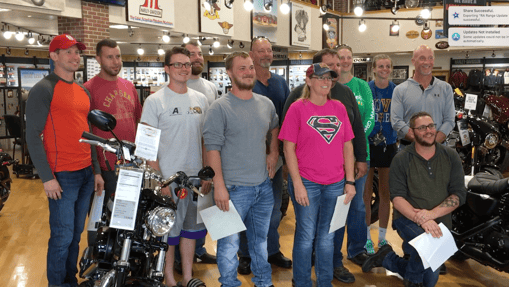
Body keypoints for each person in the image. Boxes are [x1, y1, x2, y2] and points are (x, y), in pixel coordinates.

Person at [282, 48, 367, 283]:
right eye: (320, 77)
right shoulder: (297, 108)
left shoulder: (339, 108)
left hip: (335, 183)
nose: (325, 82)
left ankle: (324, 280)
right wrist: (297, 184)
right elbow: (288, 148)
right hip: (307, 182)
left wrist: (350, 181)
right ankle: (301, 281)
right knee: (305, 236)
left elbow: (347, 146)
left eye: (329, 78)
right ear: (308, 80)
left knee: (328, 237)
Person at [25, 34, 103, 287]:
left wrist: (97, 171)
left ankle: (69, 280)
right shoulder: (44, 89)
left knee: (75, 234)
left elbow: (87, 134)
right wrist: (47, 178)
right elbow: (32, 137)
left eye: (77, 52)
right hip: (62, 175)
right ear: (54, 55)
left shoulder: (81, 91)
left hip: (85, 173)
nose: (74, 56)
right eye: (67, 51)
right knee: (61, 236)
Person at [362, 112, 466, 287]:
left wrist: (430, 215)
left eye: (431, 126)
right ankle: (412, 280)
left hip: (440, 221)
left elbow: (458, 196)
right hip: (407, 219)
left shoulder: (450, 156)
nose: (429, 131)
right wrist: (421, 218)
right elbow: (397, 198)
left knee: (429, 279)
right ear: (412, 132)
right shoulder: (401, 159)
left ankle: (388, 258)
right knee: (426, 260)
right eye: (422, 127)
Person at [203, 51, 278, 287]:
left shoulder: (266, 104)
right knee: (228, 245)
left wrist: (273, 152)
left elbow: (275, 127)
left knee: (260, 242)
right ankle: (229, 283)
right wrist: (219, 187)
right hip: (232, 189)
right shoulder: (219, 108)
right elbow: (212, 149)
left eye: (250, 68)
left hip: (263, 187)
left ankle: (263, 282)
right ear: (229, 73)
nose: (248, 72)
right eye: (242, 68)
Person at [140, 47, 210, 287]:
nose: (184, 68)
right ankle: (169, 278)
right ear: (167, 69)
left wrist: (206, 174)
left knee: (191, 231)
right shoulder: (154, 101)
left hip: (195, 180)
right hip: (169, 181)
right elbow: (147, 147)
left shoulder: (200, 99)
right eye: (178, 64)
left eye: (187, 64)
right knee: (169, 233)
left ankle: (188, 276)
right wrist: (160, 182)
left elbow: (204, 141)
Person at [237, 36, 291, 276]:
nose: (266, 55)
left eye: (269, 51)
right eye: (261, 51)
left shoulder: (280, 83)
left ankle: (271, 250)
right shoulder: (244, 83)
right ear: (251, 53)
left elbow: (287, 121)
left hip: (276, 158)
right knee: (249, 208)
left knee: (275, 208)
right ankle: (246, 254)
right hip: (249, 159)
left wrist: (281, 154)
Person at [84, 39, 142, 245]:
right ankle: (97, 263)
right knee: (100, 218)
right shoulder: (88, 89)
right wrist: (96, 169)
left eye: (118, 56)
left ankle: (123, 262)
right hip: (106, 165)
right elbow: (87, 133)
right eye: (110, 57)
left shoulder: (129, 86)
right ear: (98, 59)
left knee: (128, 215)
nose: (116, 62)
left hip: (131, 164)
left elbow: (137, 121)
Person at [171, 41, 218, 270]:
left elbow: (209, 131)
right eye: (191, 55)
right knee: (178, 217)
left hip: (201, 164)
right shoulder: (167, 93)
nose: (197, 58)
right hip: (176, 168)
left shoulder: (209, 88)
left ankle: (198, 250)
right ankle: (179, 260)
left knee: (201, 213)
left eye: (199, 54)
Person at [333, 45, 375, 270]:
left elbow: (369, 118)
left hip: (360, 155)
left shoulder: (361, 86)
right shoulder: (327, 85)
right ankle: (333, 253)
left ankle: (356, 249)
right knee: (338, 205)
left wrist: (352, 139)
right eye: (341, 58)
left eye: (349, 57)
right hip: (333, 158)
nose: (345, 61)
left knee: (357, 205)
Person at [363, 54, 398, 255]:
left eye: (387, 66)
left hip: (389, 145)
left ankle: (382, 238)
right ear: (374, 69)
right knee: (366, 195)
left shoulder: (396, 90)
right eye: (380, 66)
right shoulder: (367, 89)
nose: (384, 69)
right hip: (368, 145)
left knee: (385, 193)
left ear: (391, 69)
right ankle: (367, 238)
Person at [390, 45, 455, 146]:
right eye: (422, 58)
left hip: (438, 149)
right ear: (413, 61)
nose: (427, 62)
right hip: (409, 149)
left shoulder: (446, 88)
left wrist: (432, 144)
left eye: (430, 58)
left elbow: (449, 120)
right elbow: (396, 121)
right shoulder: (400, 90)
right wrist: (420, 142)